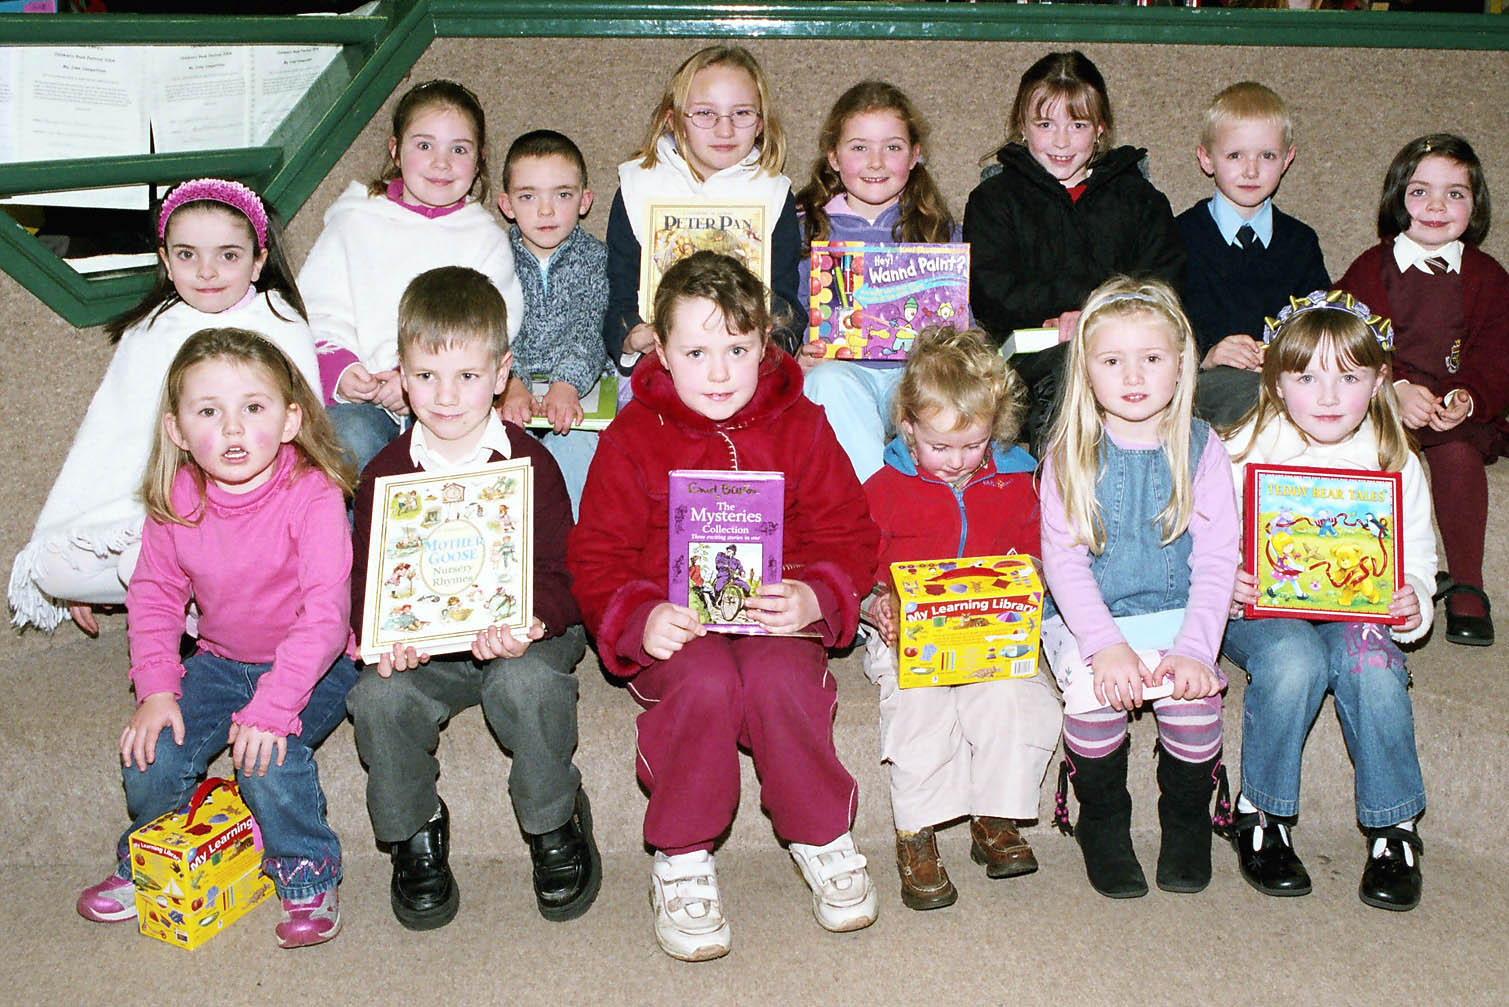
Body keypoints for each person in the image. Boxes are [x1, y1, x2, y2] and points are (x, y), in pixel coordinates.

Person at [569, 251, 878, 962]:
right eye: (697, 351)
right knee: (707, 679)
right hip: (676, 629)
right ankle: (681, 851)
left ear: (765, 346)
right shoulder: (631, 437)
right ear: (662, 352)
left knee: (776, 679)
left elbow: (851, 532)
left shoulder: (803, 423)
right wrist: (640, 614)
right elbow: (597, 557)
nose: (718, 371)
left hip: (776, 614)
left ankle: (820, 831)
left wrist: (815, 593)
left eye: (737, 350)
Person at [74, 327, 360, 948]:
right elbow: (154, 597)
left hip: (319, 661)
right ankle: (150, 860)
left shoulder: (311, 494)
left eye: (252, 409)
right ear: (177, 429)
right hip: (222, 659)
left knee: (266, 757)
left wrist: (274, 707)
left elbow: (325, 615)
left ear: (289, 421)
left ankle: (306, 868)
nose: (232, 429)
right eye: (209, 412)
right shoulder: (176, 498)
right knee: (152, 751)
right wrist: (156, 688)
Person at [344, 267, 596, 930]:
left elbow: (566, 574)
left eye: (466, 376)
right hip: (431, 647)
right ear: (400, 375)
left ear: (501, 372)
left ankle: (553, 818)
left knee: (525, 686)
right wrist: (379, 631)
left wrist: (532, 617)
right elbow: (367, 577)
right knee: (378, 696)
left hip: (525, 633)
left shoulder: (529, 461)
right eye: (426, 376)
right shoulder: (384, 475)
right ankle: (415, 830)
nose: (447, 395)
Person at [9, 178, 319, 635]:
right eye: (187, 254)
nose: (207, 271)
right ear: (166, 262)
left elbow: (305, 441)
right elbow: (108, 442)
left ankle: (217, 615)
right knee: (54, 570)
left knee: (142, 562)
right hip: (155, 507)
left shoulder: (280, 323)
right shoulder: (153, 330)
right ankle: (197, 601)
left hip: (247, 514)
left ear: (258, 262)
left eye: (228, 255)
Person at [1220, 290, 1437, 911]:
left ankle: (1394, 827)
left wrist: (1414, 602)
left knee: (1371, 662)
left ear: (1378, 384)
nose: (1327, 395)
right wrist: (1226, 584)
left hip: (1357, 610)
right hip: (1260, 609)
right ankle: (1262, 812)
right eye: (1306, 376)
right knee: (1295, 658)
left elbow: (1418, 559)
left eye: (1348, 377)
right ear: (1276, 384)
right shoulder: (1243, 447)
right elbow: (1197, 541)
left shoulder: (1394, 458)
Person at [1037, 277, 1237, 898]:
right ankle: (1104, 817)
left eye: (1152, 358)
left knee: (1193, 699)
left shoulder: (1204, 450)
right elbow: (1064, 567)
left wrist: (1197, 649)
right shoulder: (1067, 453)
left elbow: (1216, 562)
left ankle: (1186, 819)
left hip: (1177, 612)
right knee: (1095, 697)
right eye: (1112, 360)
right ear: (1086, 371)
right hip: (1084, 618)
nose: (1133, 376)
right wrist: (1105, 647)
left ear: (1181, 365)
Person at [858, 326, 1059, 911]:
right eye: (939, 447)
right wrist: (875, 600)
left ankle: (995, 817)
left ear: (993, 428)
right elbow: (853, 559)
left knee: (1018, 699)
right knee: (920, 707)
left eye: (972, 446)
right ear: (908, 428)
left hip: (993, 634)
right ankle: (915, 833)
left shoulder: (1017, 481)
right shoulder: (885, 487)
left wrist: (1029, 579)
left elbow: (1040, 549)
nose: (956, 462)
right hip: (907, 631)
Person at [1337, 133, 1509, 647]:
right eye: (1420, 191)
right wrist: (1392, 387)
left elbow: (1502, 357)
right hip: (1382, 403)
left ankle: (1468, 581)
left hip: (1453, 405)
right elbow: (1342, 341)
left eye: (1455, 194)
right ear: (1397, 199)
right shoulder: (1369, 269)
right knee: (1369, 456)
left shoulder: (1487, 278)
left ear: (1476, 205)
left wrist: (1468, 395)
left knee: (1459, 456)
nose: (1436, 206)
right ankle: (1372, 573)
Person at [298, 79, 522, 474]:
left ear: (479, 160)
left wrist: (417, 379)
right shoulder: (355, 220)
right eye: (424, 146)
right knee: (347, 443)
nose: (441, 163)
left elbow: (496, 324)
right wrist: (344, 372)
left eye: (458, 149)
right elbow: (317, 308)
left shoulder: (484, 238)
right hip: (363, 400)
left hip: (452, 398)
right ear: (395, 151)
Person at [964, 51, 1185, 446]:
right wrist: (1065, 315)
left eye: (1078, 124)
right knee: (1069, 366)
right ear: (1022, 126)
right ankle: (1063, 490)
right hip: (1030, 359)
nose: (1062, 141)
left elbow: (1163, 281)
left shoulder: (1140, 199)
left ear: (1100, 128)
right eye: (1045, 124)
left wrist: (1094, 315)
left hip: (1129, 348)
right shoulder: (993, 200)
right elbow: (989, 289)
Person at [603, 45, 805, 375]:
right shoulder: (638, 186)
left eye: (741, 113)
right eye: (705, 113)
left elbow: (784, 301)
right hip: (659, 364)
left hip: (745, 368)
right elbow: (618, 294)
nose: (724, 130)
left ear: (760, 124)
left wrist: (772, 350)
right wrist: (629, 338)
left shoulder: (773, 192)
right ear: (673, 121)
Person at [794, 80, 961, 481]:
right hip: (843, 370)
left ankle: (926, 504)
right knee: (826, 381)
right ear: (833, 157)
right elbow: (793, 308)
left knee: (949, 386)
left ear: (915, 155)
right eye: (859, 147)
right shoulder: (808, 227)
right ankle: (873, 505)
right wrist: (801, 353)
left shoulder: (939, 229)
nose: (876, 162)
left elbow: (962, 316)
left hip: (915, 371)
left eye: (892, 147)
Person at [1176, 82, 1330, 427]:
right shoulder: (1177, 236)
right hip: (1206, 383)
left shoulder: (1300, 242)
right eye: (1235, 156)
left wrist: (1283, 355)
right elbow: (1160, 319)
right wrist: (1207, 353)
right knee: (1250, 397)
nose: (1251, 170)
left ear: (1287, 159)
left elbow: (1319, 322)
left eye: (1267, 156)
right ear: (1206, 159)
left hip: (1288, 382)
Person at [494, 129, 611, 519]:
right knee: (498, 448)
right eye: (528, 197)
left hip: (578, 391)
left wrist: (567, 383)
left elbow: (591, 328)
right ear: (507, 205)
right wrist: (512, 382)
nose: (546, 211)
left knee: (577, 453)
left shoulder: (596, 258)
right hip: (512, 386)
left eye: (562, 195)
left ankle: (569, 550)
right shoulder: (494, 256)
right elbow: (494, 330)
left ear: (585, 200)